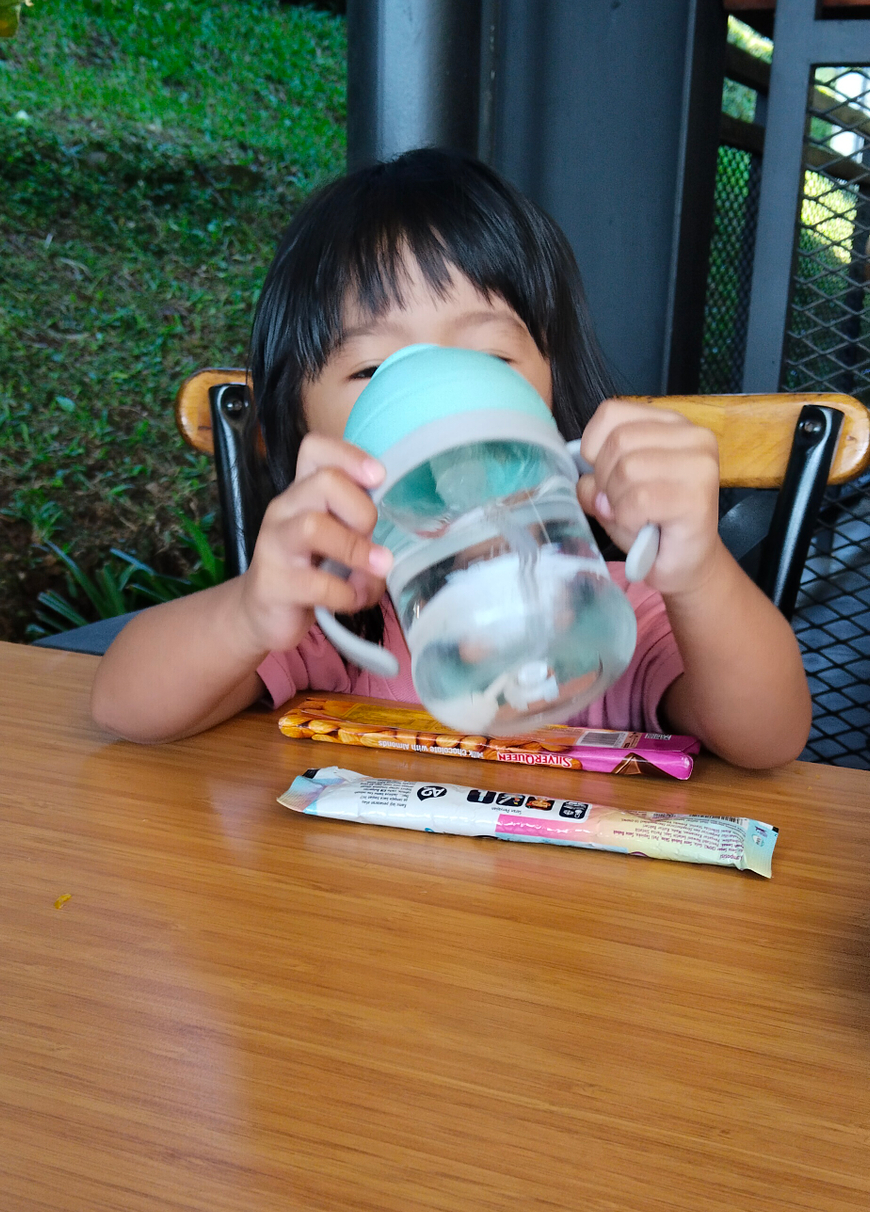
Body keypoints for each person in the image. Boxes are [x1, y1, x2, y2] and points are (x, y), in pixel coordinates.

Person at [91, 147, 812, 766]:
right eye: (374, 371)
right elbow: (122, 706)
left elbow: (769, 738)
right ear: (302, 430)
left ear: (548, 396)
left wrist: (699, 575)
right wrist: (249, 615)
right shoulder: (335, 620)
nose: (442, 400)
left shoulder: (610, 598)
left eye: (491, 357)